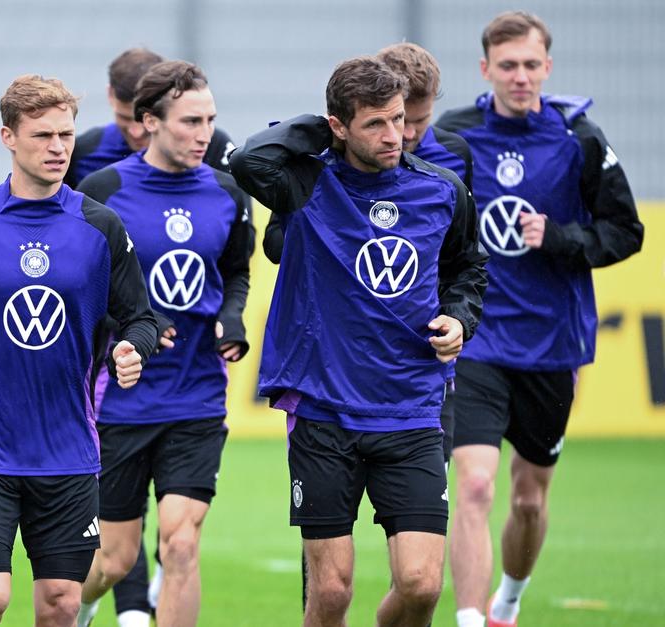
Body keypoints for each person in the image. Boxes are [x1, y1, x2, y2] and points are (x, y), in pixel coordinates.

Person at [230, 56, 488, 627]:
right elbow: (249, 159)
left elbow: (468, 270)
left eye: (399, 119)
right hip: (325, 408)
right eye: (375, 123)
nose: (395, 135)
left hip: (413, 407)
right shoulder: (306, 182)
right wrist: (322, 131)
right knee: (331, 592)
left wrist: (459, 320)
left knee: (421, 585)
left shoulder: (443, 191)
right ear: (339, 125)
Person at [0, 74, 158, 627]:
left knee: (61, 604)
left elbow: (142, 315)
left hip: (67, 450)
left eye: (66, 134)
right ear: (8, 137)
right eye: (43, 135)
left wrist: (134, 347)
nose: (59, 147)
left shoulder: (99, 226)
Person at [436, 12, 643, 627]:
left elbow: (625, 232)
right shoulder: (456, 135)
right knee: (473, 485)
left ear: (547, 67)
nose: (520, 76)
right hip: (475, 338)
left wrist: (560, 238)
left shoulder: (581, 139)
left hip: (553, 344)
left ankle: (508, 601)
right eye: (508, 66)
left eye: (531, 65)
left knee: (529, 498)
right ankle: (471, 619)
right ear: (485, 70)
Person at [74, 61, 253, 627]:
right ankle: (77, 609)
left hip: (196, 397)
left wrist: (230, 318)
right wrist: (130, 327)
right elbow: (78, 288)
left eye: (210, 121)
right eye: (190, 121)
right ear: (149, 121)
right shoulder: (103, 192)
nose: (205, 134)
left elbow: (236, 271)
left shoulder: (226, 193)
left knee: (179, 543)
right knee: (113, 558)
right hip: (120, 400)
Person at [64, 48, 237, 190]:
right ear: (110, 95)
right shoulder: (84, 151)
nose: (137, 132)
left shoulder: (213, 146)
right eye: (124, 118)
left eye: (142, 120)